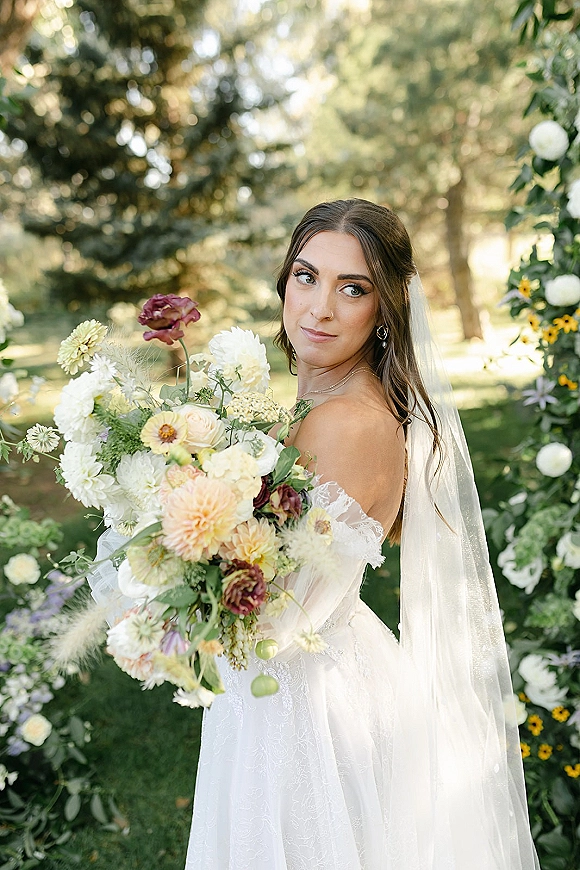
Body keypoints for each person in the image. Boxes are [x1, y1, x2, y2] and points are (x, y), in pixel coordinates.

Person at [185, 199, 540, 869]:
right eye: (306, 276)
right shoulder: (320, 403)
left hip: (304, 710)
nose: (319, 307)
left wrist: (171, 560)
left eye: (353, 289)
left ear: (385, 311)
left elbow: (271, 615)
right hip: (306, 676)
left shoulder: (346, 424)